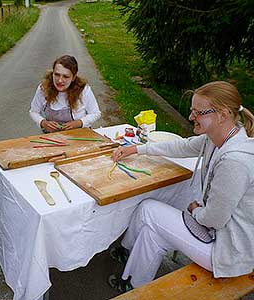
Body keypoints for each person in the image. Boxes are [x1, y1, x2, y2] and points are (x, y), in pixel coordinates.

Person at [109, 81, 254, 293]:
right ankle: (133, 283)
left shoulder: (235, 161)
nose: (190, 117)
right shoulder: (218, 138)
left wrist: (196, 210)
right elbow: (182, 146)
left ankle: (126, 251)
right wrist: (137, 149)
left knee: (148, 209)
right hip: (221, 236)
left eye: (198, 112)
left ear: (223, 115)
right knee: (153, 231)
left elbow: (215, 219)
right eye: (192, 110)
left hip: (229, 252)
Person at [29, 55, 101, 132]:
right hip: (52, 137)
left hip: (79, 135)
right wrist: (43, 123)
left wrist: (79, 123)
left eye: (65, 76)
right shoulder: (44, 89)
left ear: (73, 77)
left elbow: (95, 113)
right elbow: (33, 112)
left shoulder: (83, 90)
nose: (60, 80)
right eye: (57, 74)